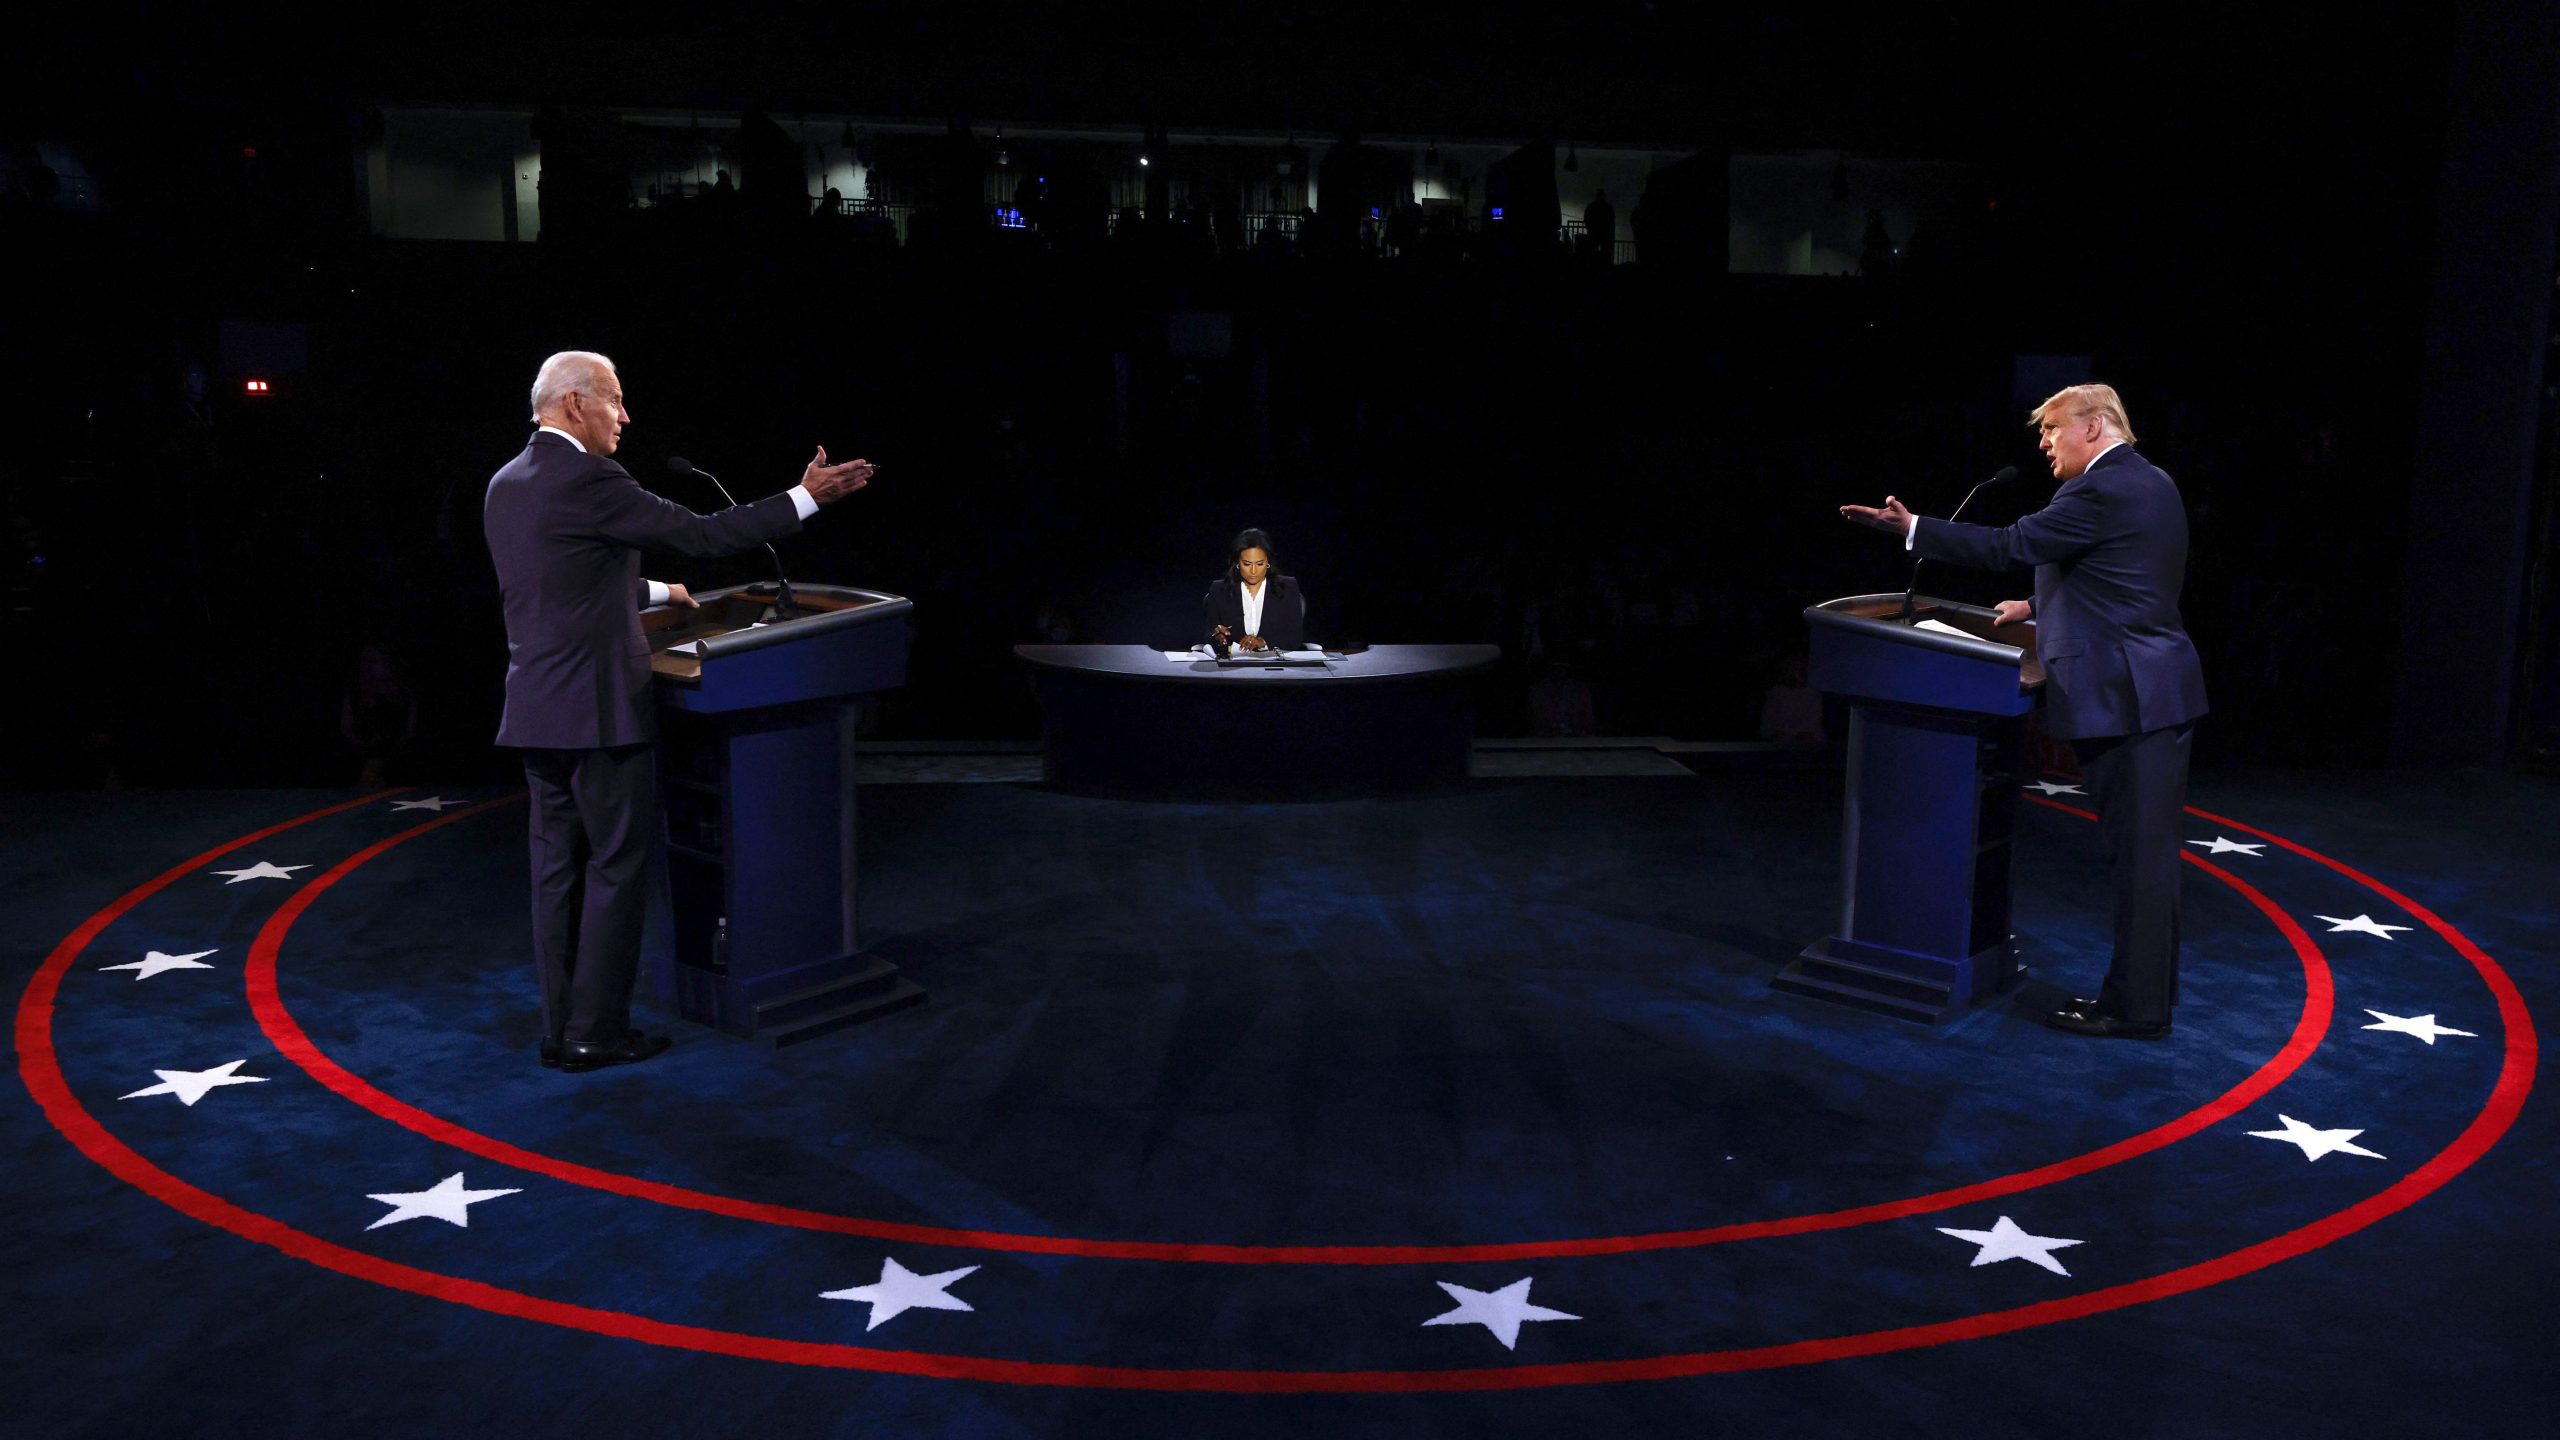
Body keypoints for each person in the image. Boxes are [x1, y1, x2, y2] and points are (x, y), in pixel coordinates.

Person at [484, 351, 876, 1073]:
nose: (625, 418)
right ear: (574, 404)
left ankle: (560, 1026)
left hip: (537, 711)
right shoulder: (593, 478)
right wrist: (805, 497)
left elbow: (562, 588)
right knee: (614, 867)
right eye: (616, 401)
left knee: (554, 874)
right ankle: (595, 1034)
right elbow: (703, 533)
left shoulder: (506, 484)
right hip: (600, 712)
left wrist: (663, 594)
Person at [1839, 384, 2206, 1040]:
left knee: (2141, 866)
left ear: (2093, 427)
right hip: (2152, 692)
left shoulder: (2097, 490)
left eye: (2052, 429)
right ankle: (2144, 998)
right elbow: (2126, 577)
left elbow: (2011, 545)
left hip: (2130, 700)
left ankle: (2134, 1008)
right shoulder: (2150, 482)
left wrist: (1914, 529)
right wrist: (2038, 608)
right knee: (2143, 862)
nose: (2043, 442)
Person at [1202, 527, 1305, 654]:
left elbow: (1295, 637)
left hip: (1276, 666)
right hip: (1232, 667)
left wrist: (1263, 642)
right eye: (1247, 564)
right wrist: (1217, 637)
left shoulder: (1288, 587)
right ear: (1237, 563)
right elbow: (1208, 635)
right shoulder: (1219, 590)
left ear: (1268, 562)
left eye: (1260, 564)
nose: (1253, 571)